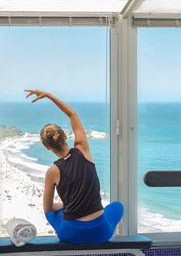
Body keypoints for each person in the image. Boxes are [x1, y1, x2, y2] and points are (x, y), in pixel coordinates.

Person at [25, 89, 124, 244]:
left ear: (47, 147)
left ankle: (71, 215)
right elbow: (72, 115)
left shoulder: (52, 171)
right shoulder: (83, 149)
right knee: (117, 207)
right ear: (65, 136)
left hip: (71, 234)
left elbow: (48, 209)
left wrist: (65, 206)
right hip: (100, 232)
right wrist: (49, 95)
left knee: (53, 214)